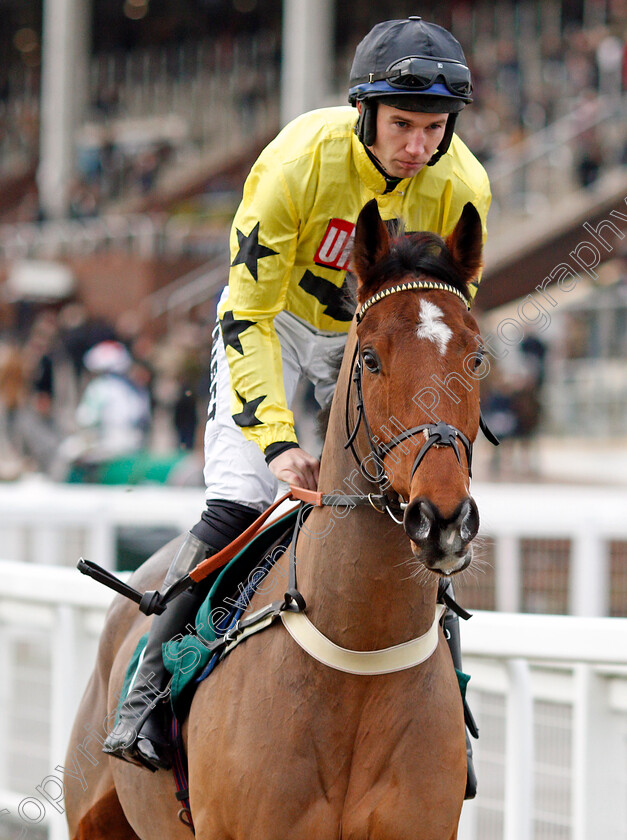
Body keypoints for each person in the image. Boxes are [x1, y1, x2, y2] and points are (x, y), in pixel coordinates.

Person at [104, 16, 491, 795]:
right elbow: (244, 311)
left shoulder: (463, 189)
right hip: (274, 323)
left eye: (433, 128)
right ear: (364, 112)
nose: (417, 145)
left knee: (413, 506)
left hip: (371, 337)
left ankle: (448, 703)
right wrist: (278, 442)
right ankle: (150, 689)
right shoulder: (296, 163)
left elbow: (445, 329)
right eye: (402, 125)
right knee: (240, 497)